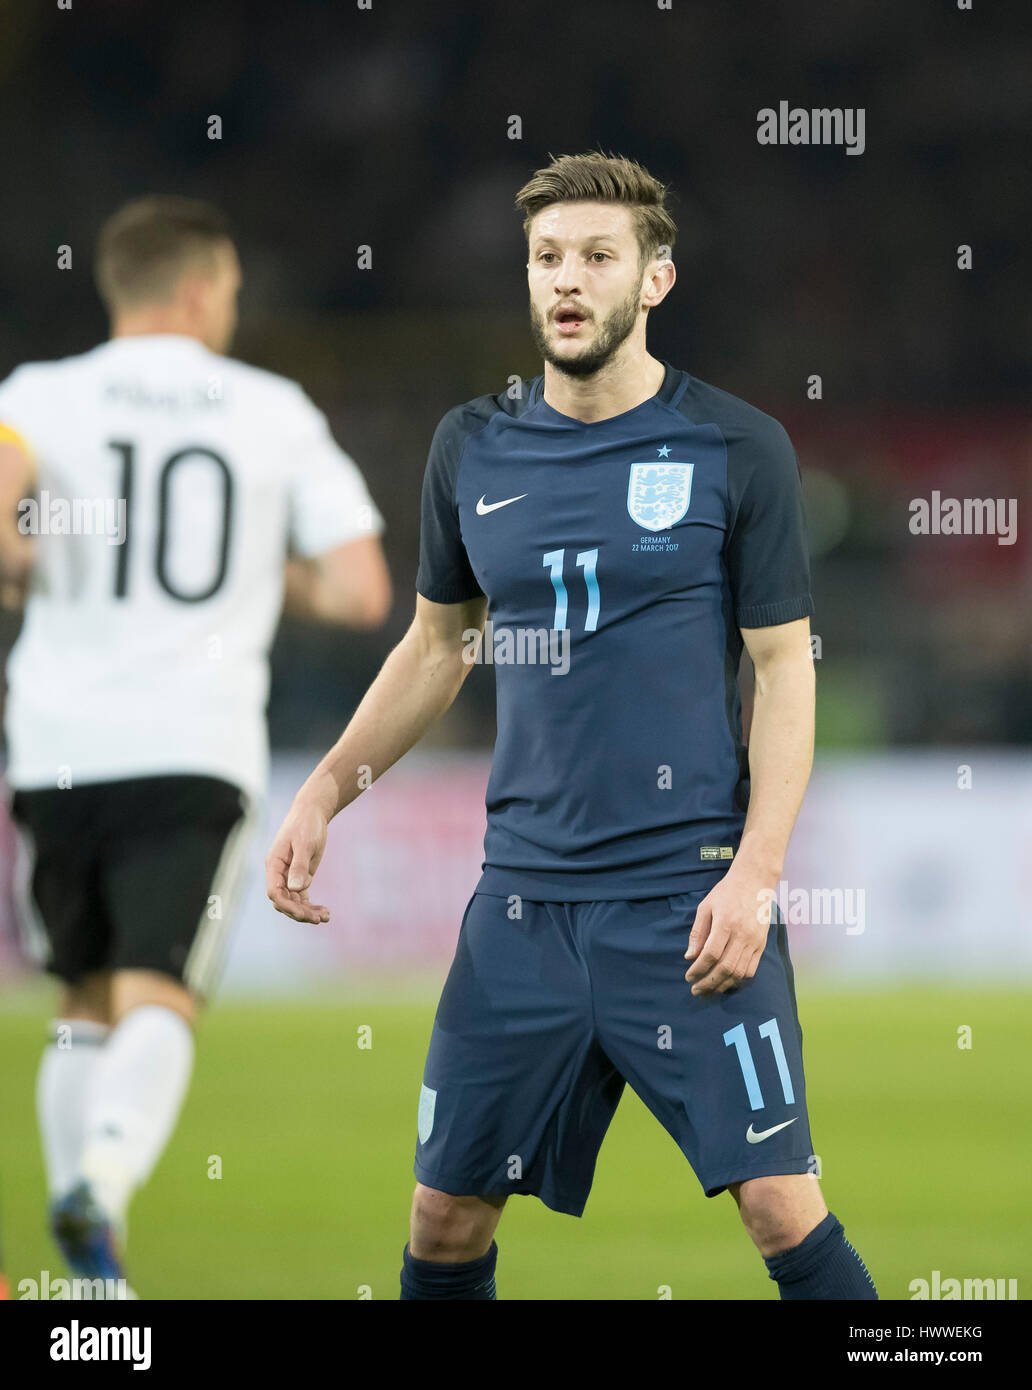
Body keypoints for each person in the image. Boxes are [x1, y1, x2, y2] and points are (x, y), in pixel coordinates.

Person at [266, 153, 876, 1301]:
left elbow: (784, 666)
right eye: (548, 257)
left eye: (598, 257)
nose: (568, 280)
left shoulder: (738, 448)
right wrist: (325, 788)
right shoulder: (471, 446)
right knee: (443, 1218)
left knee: (782, 1205)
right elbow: (437, 644)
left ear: (656, 280)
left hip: (685, 893)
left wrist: (757, 872)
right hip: (523, 904)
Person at [0, 195, 390, 1295]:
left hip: (53, 745)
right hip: (191, 742)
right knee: (159, 992)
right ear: (201, 290)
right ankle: (107, 1185)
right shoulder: (271, 411)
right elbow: (363, 585)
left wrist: (39, 567)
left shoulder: (35, 397)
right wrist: (260, 569)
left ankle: (89, 1285)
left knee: (80, 1001)